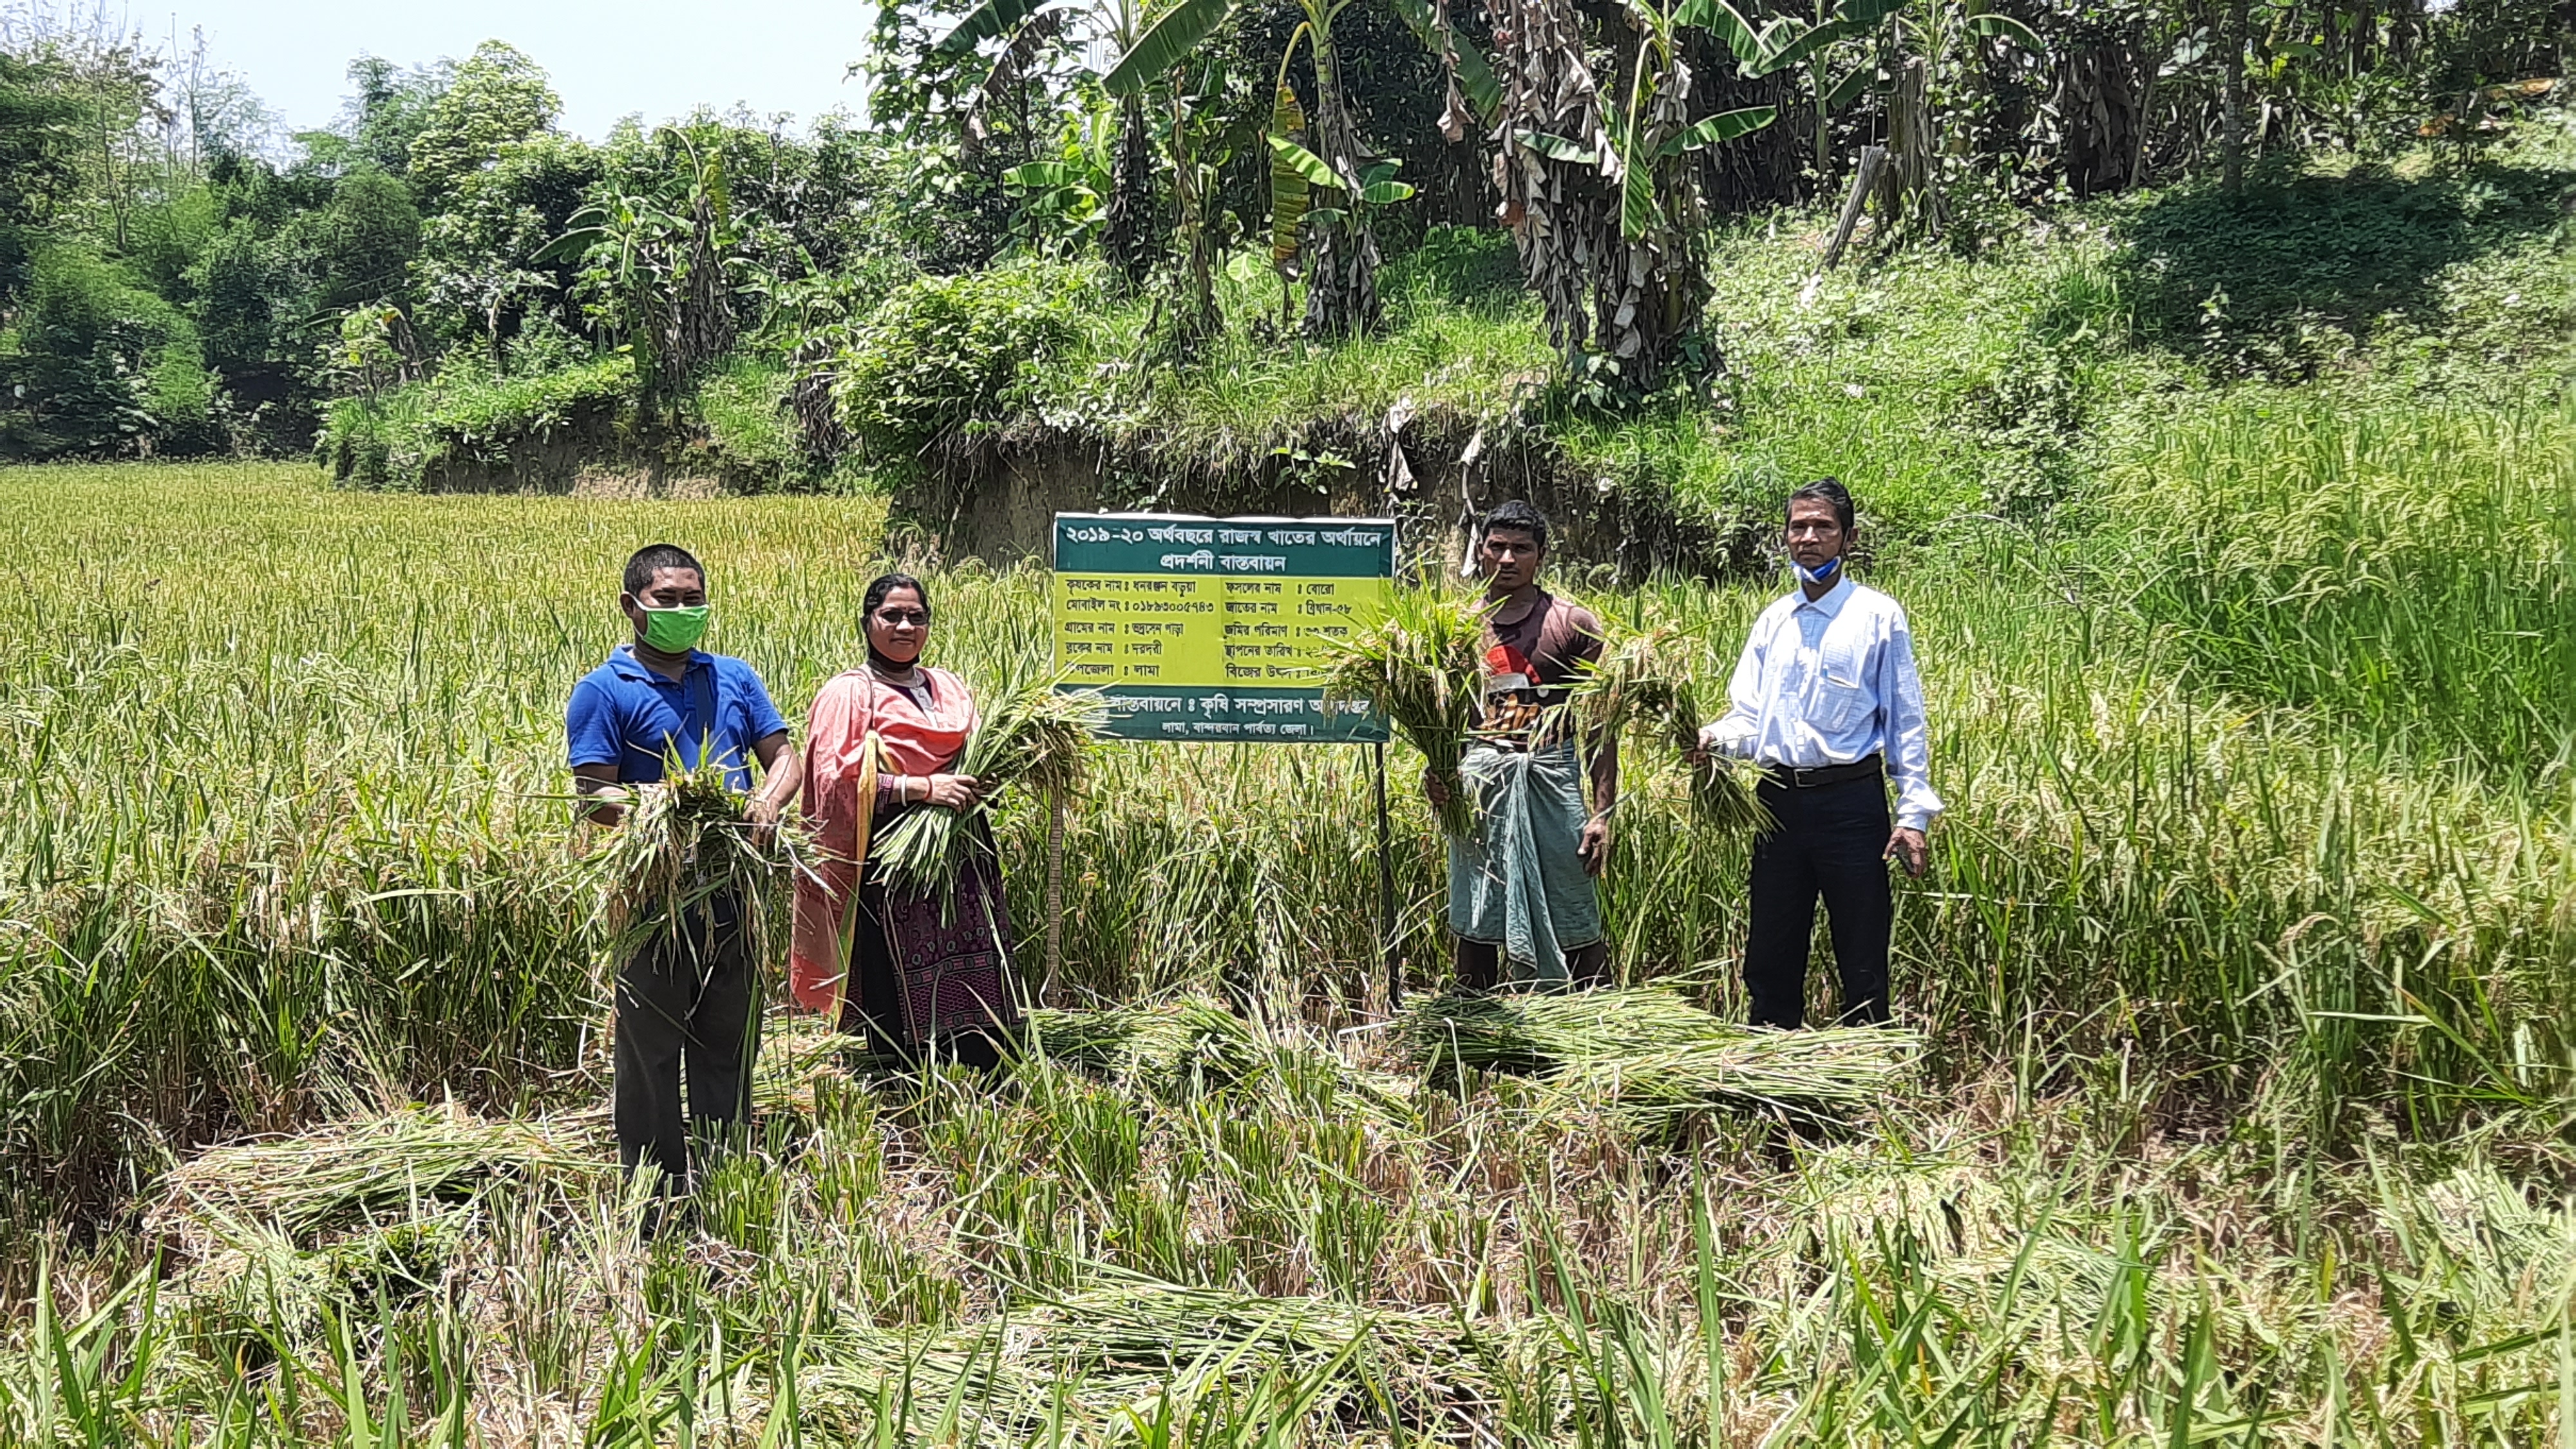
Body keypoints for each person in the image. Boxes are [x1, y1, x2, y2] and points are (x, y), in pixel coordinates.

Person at [567, 543, 796, 1193]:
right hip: (655, 898)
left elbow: (785, 757)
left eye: (692, 599)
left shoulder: (734, 677)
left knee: (730, 1038)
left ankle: (726, 1177)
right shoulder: (603, 690)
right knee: (651, 1050)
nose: (683, 610)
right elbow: (597, 799)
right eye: (667, 599)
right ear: (631, 606)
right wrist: (662, 806)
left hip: (734, 890)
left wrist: (767, 799)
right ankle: (658, 1193)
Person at [1692, 478, 1940, 1028]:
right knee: (1772, 946)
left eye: (1823, 527)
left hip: (1851, 802)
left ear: (1847, 539)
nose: (1809, 538)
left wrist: (1913, 816)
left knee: (1862, 945)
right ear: (1785, 537)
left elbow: (1905, 722)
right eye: (1798, 526)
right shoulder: (1774, 620)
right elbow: (1751, 720)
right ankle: (1772, 1064)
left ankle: (1864, 1064)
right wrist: (1712, 739)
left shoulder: (1876, 617)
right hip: (1776, 802)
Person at [789, 572, 1022, 1068]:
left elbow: (979, 755)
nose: (904, 626)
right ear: (867, 622)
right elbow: (835, 780)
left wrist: (992, 777)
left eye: (916, 616)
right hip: (893, 856)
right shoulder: (851, 694)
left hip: (961, 851)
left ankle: (980, 1063)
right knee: (897, 972)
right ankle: (905, 1073)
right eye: (891, 615)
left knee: (976, 954)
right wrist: (922, 788)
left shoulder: (950, 688)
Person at [1426, 500, 1618, 989]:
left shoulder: (1573, 624)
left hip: (1551, 785)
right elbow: (1438, 718)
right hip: (1482, 786)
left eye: (1521, 549)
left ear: (1541, 556)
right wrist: (1439, 774)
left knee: (1570, 899)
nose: (1508, 559)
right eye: (1497, 547)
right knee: (1480, 903)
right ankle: (1475, 1023)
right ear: (1481, 551)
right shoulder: (1456, 628)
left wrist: (1601, 813)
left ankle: (1591, 1020)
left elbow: (1599, 725)